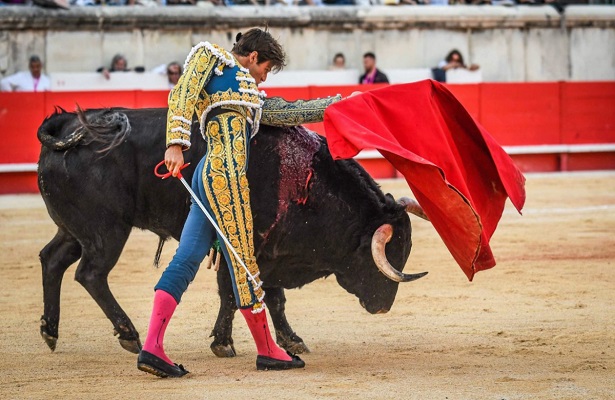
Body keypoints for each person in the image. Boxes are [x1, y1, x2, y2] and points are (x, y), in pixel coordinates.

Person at [137, 28, 342, 378]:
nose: (265, 76)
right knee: (244, 261)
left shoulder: (250, 93)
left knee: (187, 257)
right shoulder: (212, 58)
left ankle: (152, 347)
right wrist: (175, 143)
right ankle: (268, 350)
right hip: (225, 172)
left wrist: (336, 106)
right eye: (267, 68)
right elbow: (182, 93)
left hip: (210, 174)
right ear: (254, 56)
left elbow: (286, 112)